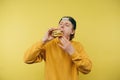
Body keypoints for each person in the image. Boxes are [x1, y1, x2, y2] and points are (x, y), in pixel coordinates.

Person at [24, 16, 92, 80]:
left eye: (67, 25)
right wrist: (43, 41)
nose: (62, 26)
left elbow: (87, 69)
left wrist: (72, 52)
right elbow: (27, 59)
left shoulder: (78, 46)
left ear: (72, 31)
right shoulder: (48, 44)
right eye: (60, 24)